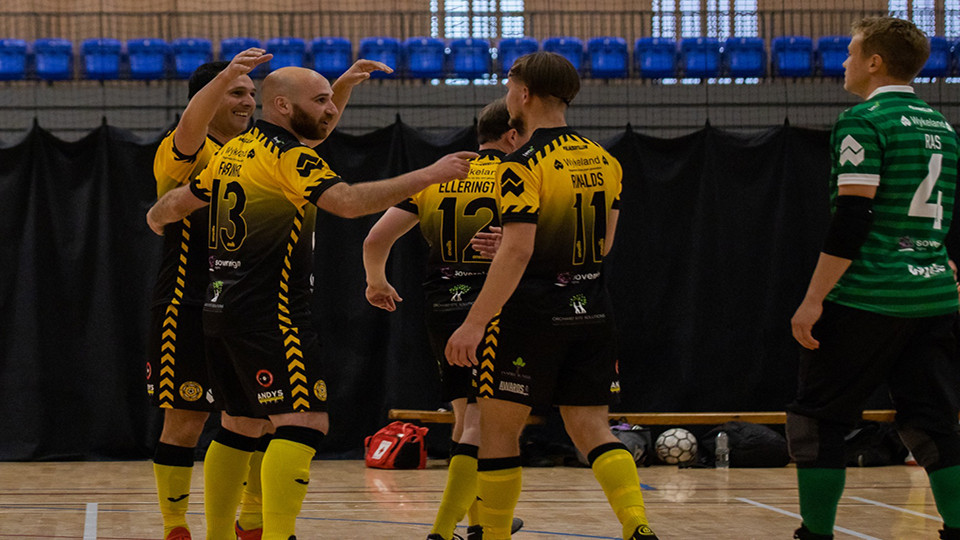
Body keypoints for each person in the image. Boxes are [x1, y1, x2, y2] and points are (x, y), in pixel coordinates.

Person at [146, 65, 477, 540]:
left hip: (221, 308)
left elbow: (182, 201)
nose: (330, 109)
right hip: (267, 311)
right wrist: (430, 174)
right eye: (321, 101)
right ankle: (262, 531)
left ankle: (233, 528)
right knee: (303, 422)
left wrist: (156, 214)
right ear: (282, 105)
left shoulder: (235, 152)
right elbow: (347, 202)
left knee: (240, 424)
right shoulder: (271, 154)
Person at [444, 52, 658, 540]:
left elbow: (518, 252)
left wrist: (475, 322)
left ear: (523, 94)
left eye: (508, 87)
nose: (506, 96)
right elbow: (602, 244)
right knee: (592, 429)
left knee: (498, 432)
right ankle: (637, 524)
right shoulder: (606, 160)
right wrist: (524, 242)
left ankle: (494, 534)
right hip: (591, 310)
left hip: (531, 315)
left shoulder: (520, 165)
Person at [787, 16, 960, 540]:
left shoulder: (864, 121)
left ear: (875, 62)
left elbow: (853, 218)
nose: (844, 62)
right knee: (933, 422)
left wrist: (814, 299)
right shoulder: (941, 126)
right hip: (933, 296)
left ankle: (815, 535)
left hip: (869, 296)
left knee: (818, 420)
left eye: (850, 52)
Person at [362, 98, 525, 540]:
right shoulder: (521, 175)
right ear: (512, 135)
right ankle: (443, 527)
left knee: (464, 416)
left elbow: (375, 238)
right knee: (483, 422)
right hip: (491, 305)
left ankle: (478, 521)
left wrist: (376, 282)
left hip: (442, 305)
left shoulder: (442, 176)